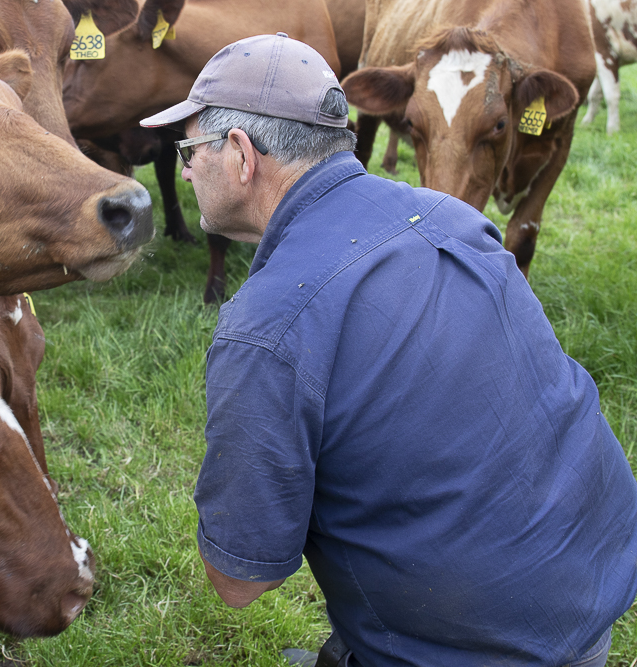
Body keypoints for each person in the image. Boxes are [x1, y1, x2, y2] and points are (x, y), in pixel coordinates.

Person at [140, 33, 637, 667]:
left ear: (240, 154)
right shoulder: (449, 218)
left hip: (475, 648)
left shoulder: (267, 327)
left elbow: (240, 581)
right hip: (596, 587)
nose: (183, 169)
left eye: (189, 148)